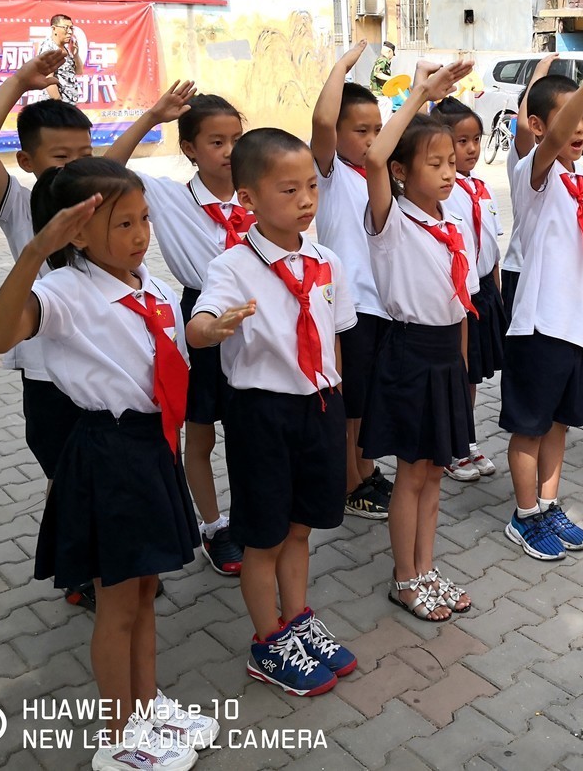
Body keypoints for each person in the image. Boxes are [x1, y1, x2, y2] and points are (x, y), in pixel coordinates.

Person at [0, 158, 216, 771]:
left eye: (144, 219)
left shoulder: (150, 286)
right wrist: (36, 252)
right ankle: (119, 737)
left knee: (144, 593)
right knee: (117, 606)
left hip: (153, 448)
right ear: (78, 235)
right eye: (123, 224)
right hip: (109, 455)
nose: (141, 236)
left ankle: (148, 706)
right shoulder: (64, 291)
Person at [0, 52, 174, 610]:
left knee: (114, 469)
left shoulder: (99, 204)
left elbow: (113, 173)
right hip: (47, 373)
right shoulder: (19, 205)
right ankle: (85, 567)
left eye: (84, 154)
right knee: (69, 472)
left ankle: (119, 562)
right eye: (61, 157)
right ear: (28, 161)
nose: (76, 166)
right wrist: (18, 82)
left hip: (105, 373)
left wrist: (152, 117)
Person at [187, 128, 358, 695]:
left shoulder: (327, 261)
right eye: (289, 190)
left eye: (312, 186)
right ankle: (268, 641)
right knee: (263, 537)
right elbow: (199, 325)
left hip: (319, 406)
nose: (306, 200)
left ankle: (298, 618)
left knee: (301, 527)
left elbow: (334, 337)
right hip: (261, 415)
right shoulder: (232, 267)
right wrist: (212, 328)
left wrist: (338, 401)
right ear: (248, 199)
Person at [500, 18, 583, 561]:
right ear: (537, 125)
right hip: (539, 326)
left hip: (575, 327)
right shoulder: (535, 174)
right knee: (530, 427)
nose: (579, 132)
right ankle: (524, 513)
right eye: (568, 120)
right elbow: (553, 142)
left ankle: (549, 505)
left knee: (559, 424)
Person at [112, 89, 252, 578]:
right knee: (201, 430)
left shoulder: (257, 191)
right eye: (217, 142)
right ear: (190, 148)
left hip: (257, 315)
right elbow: (106, 168)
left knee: (250, 427)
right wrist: (152, 116)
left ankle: (252, 517)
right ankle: (214, 526)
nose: (230, 151)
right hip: (200, 316)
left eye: (237, 138)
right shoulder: (169, 197)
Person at [361, 61, 479, 621]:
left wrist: (461, 365)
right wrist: (419, 94)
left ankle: (426, 568)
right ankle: (404, 578)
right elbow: (373, 158)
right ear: (402, 172)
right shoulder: (391, 222)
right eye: (434, 164)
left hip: (445, 359)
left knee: (434, 471)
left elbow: (459, 306)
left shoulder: (449, 224)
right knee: (411, 474)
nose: (448, 172)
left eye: (451, 161)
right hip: (409, 354)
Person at [311, 41, 395, 521]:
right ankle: (349, 483)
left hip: (382, 304)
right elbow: (322, 123)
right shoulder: (329, 174)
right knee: (350, 403)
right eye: (361, 131)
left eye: (377, 130)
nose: (371, 139)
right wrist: (341, 68)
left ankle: (366, 469)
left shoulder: (377, 175)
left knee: (367, 400)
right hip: (349, 308)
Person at [434, 96, 505, 481]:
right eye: (462, 141)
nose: (473, 148)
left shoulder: (481, 187)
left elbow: (491, 245)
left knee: (472, 374)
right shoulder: (442, 193)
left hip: (483, 294)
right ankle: (449, 446)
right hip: (455, 299)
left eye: (477, 139)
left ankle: (466, 437)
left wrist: (496, 292)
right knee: (456, 374)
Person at [501, 53, 561, 317]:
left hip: (553, 271)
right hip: (522, 267)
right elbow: (524, 128)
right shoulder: (526, 155)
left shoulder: (572, 166)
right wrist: (539, 72)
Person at [39, 14, 85, 104]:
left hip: (69, 104)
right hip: (55, 106)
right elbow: (48, 79)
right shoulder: (49, 49)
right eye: (66, 28)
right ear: (54, 29)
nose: (70, 32)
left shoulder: (66, 48)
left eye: (71, 28)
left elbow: (79, 71)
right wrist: (59, 106)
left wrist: (76, 55)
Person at [370, 41, 396, 120]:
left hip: (381, 94)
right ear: (389, 51)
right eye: (393, 54)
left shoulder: (382, 61)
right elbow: (377, 74)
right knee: (386, 111)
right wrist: (392, 79)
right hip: (379, 94)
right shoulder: (383, 60)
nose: (392, 57)